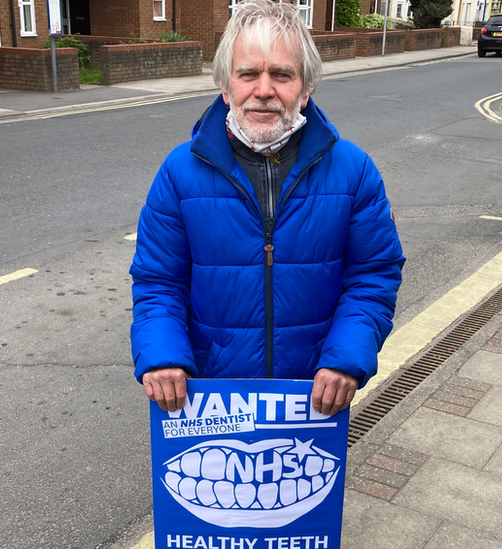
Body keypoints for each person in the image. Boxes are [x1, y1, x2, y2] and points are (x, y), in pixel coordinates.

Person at [130, 0, 404, 416]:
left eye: (281, 74)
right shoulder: (179, 172)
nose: (263, 89)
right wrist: (164, 355)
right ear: (226, 86)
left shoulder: (354, 170)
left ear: (306, 87)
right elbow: (158, 281)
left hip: (312, 397)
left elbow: (372, 275)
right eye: (248, 74)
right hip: (210, 398)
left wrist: (345, 358)